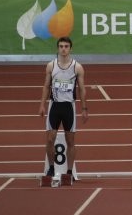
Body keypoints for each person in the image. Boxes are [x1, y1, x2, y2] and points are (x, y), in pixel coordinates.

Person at [38, 36, 87, 178]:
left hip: (69, 107)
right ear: (58, 48)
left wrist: (84, 109)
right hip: (54, 106)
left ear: (70, 48)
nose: (63, 49)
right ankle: (51, 168)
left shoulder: (77, 67)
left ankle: (70, 172)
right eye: (61, 46)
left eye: (66, 46)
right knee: (49, 139)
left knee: (70, 140)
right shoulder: (51, 66)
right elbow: (46, 86)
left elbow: (82, 89)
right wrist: (42, 105)